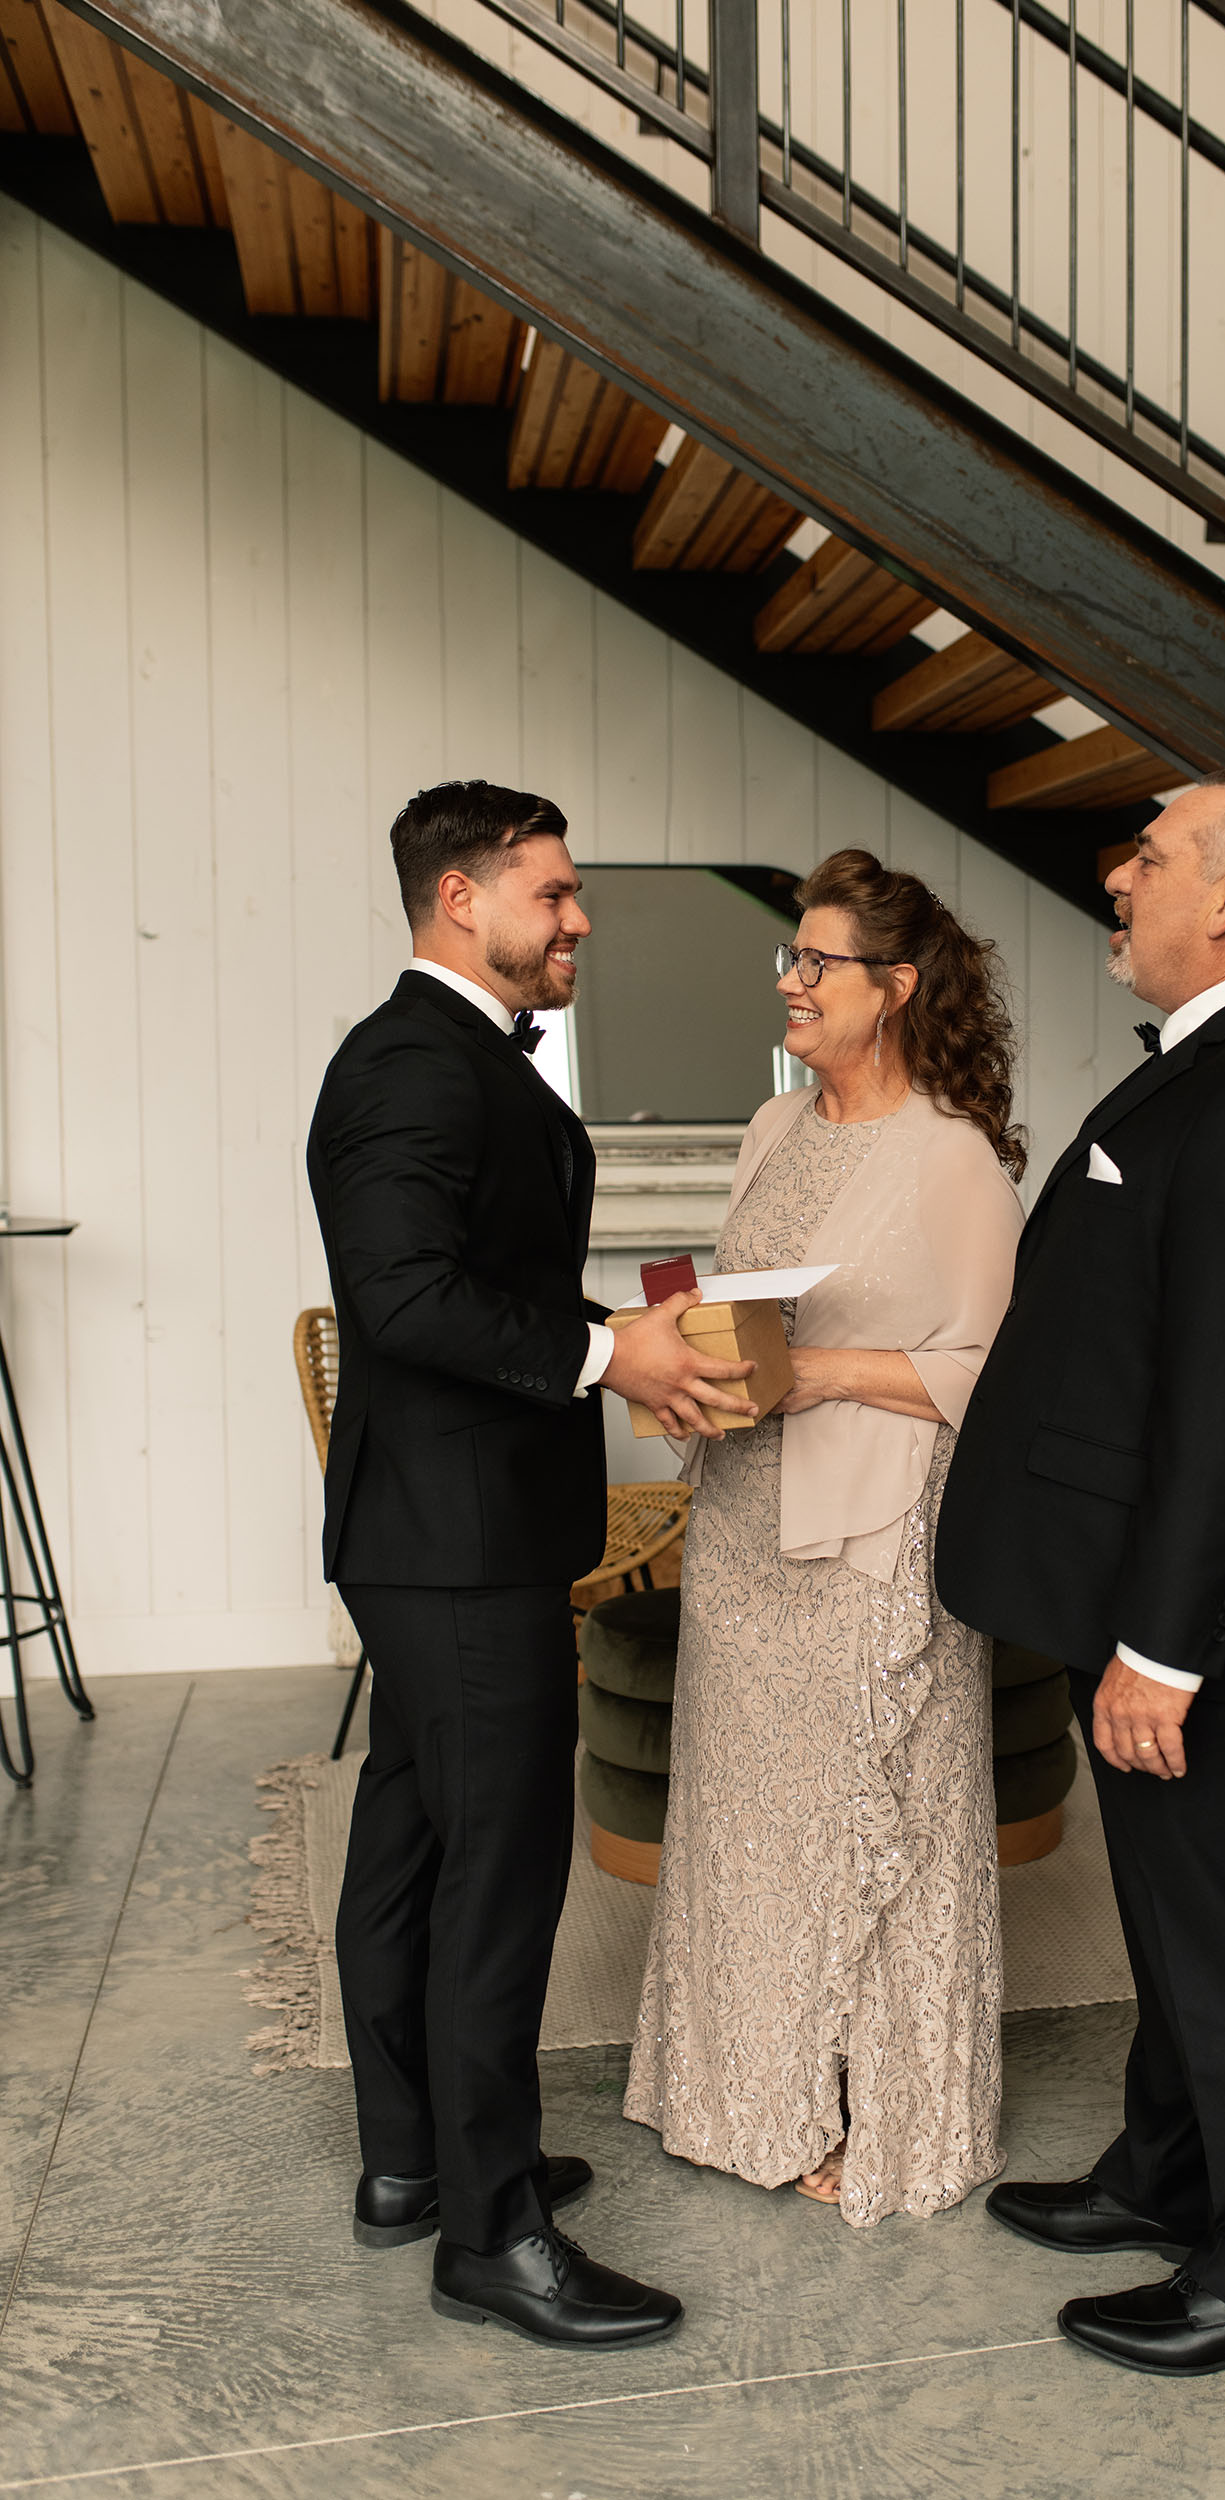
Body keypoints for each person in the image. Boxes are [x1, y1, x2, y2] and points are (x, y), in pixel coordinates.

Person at [936, 775, 1225, 2376]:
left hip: (1214, 1621)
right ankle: (1169, 2168)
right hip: (1162, 1594)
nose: (1118, 876)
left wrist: (1166, 1648)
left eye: (1152, 854)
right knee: (1180, 1920)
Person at [307, 779, 757, 2350]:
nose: (580, 918)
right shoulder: (408, 1070)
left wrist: (623, 1330)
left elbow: (466, 1270)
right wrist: (604, 1354)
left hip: (447, 1529)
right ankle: (493, 2238)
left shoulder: (451, 1062)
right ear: (462, 899)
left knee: (419, 1848)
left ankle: (413, 2161)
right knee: (495, 1875)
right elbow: (406, 1300)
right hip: (454, 1541)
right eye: (554, 893)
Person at [624, 849, 1026, 2225]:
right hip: (741, 1521)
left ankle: (891, 2117)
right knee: (749, 1817)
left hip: (873, 1535)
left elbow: (991, 1369)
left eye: (816, 963)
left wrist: (825, 1375)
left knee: (876, 1819)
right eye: (787, 959)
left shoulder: (952, 1159)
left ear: (895, 989)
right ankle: (742, 2096)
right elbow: (756, 1306)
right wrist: (698, 1363)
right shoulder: (767, 1129)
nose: (789, 982)